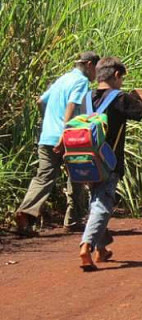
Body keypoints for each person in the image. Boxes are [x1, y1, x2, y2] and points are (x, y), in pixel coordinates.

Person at [79, 57, 142, 271]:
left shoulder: (86, 98)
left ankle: (101, 249)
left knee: (95, 201)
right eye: (122, 78)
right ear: (116, 75)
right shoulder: (120, 98)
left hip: (83, 159)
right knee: (102, 206)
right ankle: (86, 247)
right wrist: (141, 96)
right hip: (108, 162)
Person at [14, 52, 100, 235]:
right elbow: (71, 105)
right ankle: (72, 219)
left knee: (44, 177)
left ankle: (26, 212)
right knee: (78, 174)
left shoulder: (63, 79)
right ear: (90, 65)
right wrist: (63, 132)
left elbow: (40, 101)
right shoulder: (81, 82)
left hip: (47, 135)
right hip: (67, 137)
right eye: (96, 70)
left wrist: (50, 121)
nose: (96, 76)